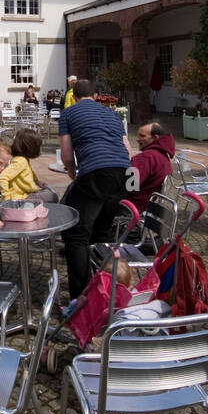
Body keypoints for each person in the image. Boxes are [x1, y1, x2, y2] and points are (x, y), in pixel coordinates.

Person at [58, 78, 134, 300]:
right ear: (96, 95)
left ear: (74, 95)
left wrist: (72, 172)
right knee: (101, 233)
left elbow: (65, 154)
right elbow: (127, 148)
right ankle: (106, 289)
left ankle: (81, 298)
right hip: (125, 174)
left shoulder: (69, 113)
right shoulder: (112, 114)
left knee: (76, 235)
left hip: (96, 171)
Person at [0, 129, 58, 202]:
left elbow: (31, 174)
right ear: (30, 147)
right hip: (21, 197)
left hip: (24, 194)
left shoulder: (23, 159)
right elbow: (2, 178)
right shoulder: (21, 161)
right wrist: (7, 198)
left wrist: (38, 182)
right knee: (53, 196)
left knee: (49, 195)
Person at [130, 122, 176, 216]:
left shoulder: (145, 158)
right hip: (149, 207)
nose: (137, 139)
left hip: (132, 207)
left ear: (155, 138)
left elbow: (128, 185)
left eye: (142, 136)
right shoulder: (163, 156)